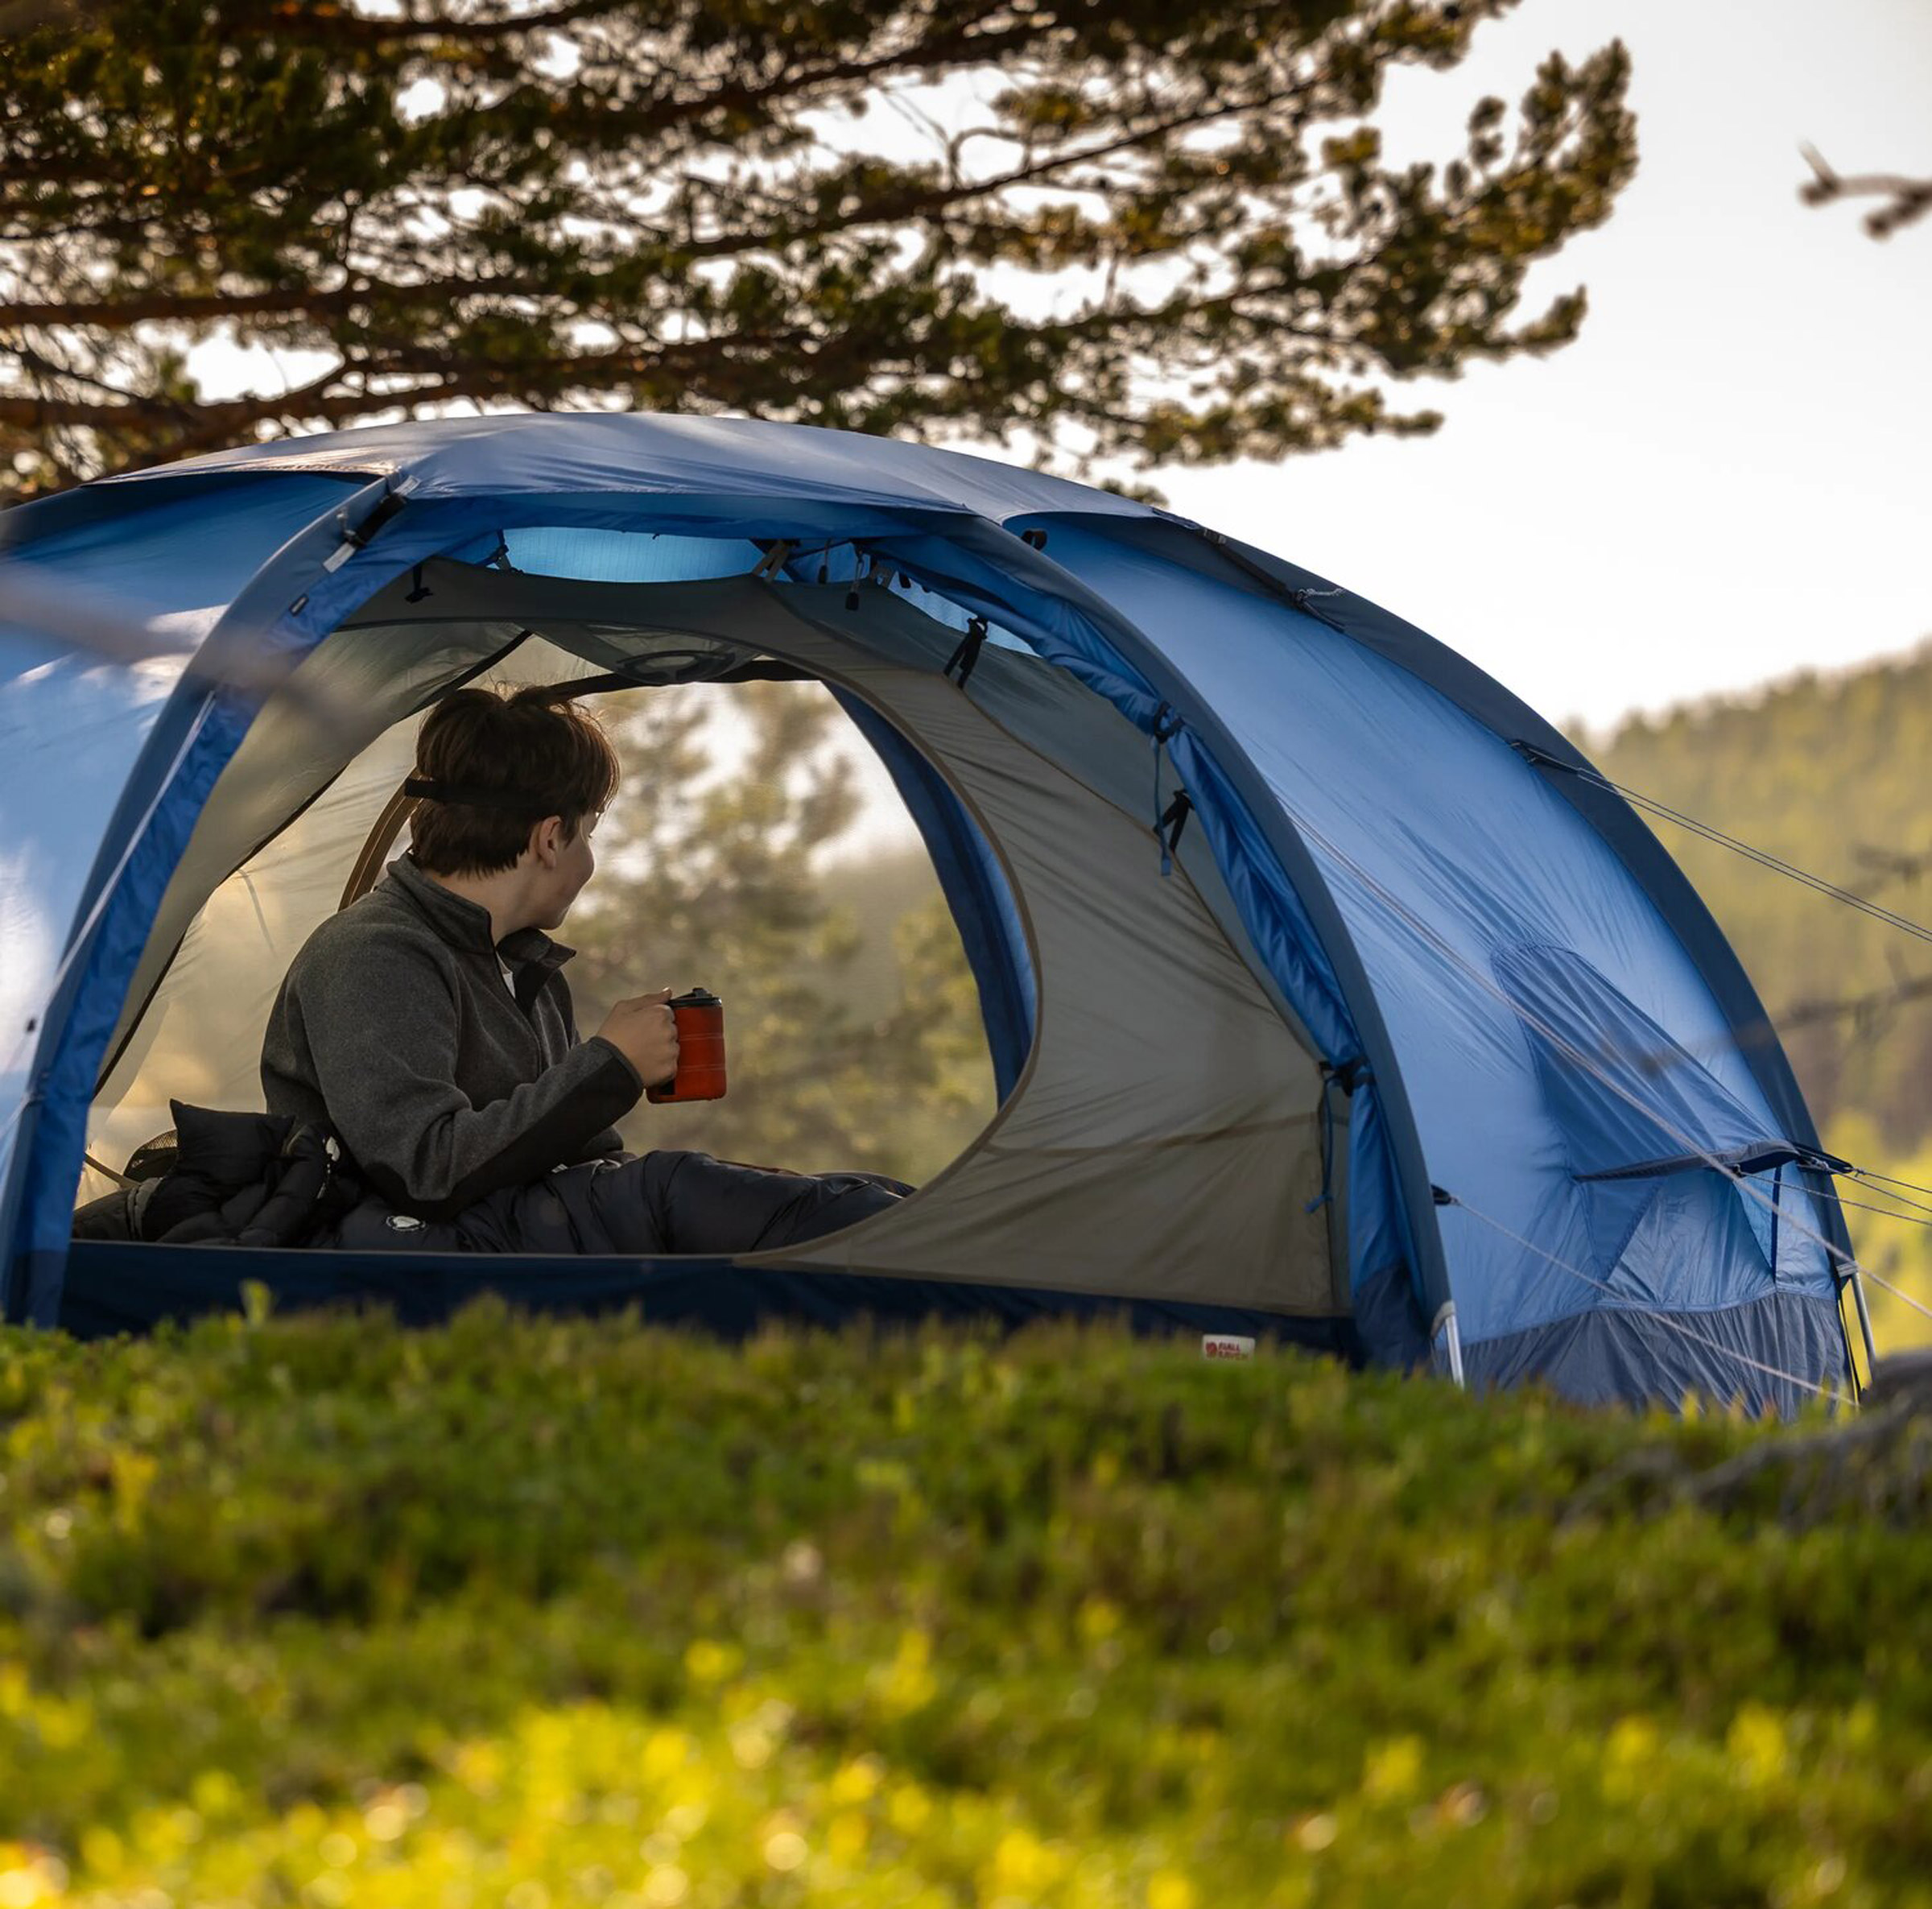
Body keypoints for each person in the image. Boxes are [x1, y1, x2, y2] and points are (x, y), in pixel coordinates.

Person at [246, 683, 908, 1256]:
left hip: (519, 1231)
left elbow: (583, 1164)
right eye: (589, 834)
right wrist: (612, 1064)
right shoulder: (375, 954)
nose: (589, 860)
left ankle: (942, 1232)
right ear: (549, 837)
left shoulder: (522, 965)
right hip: (405, 1247)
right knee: (691, 1192)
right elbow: (425, 1168)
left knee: (848, 1200)